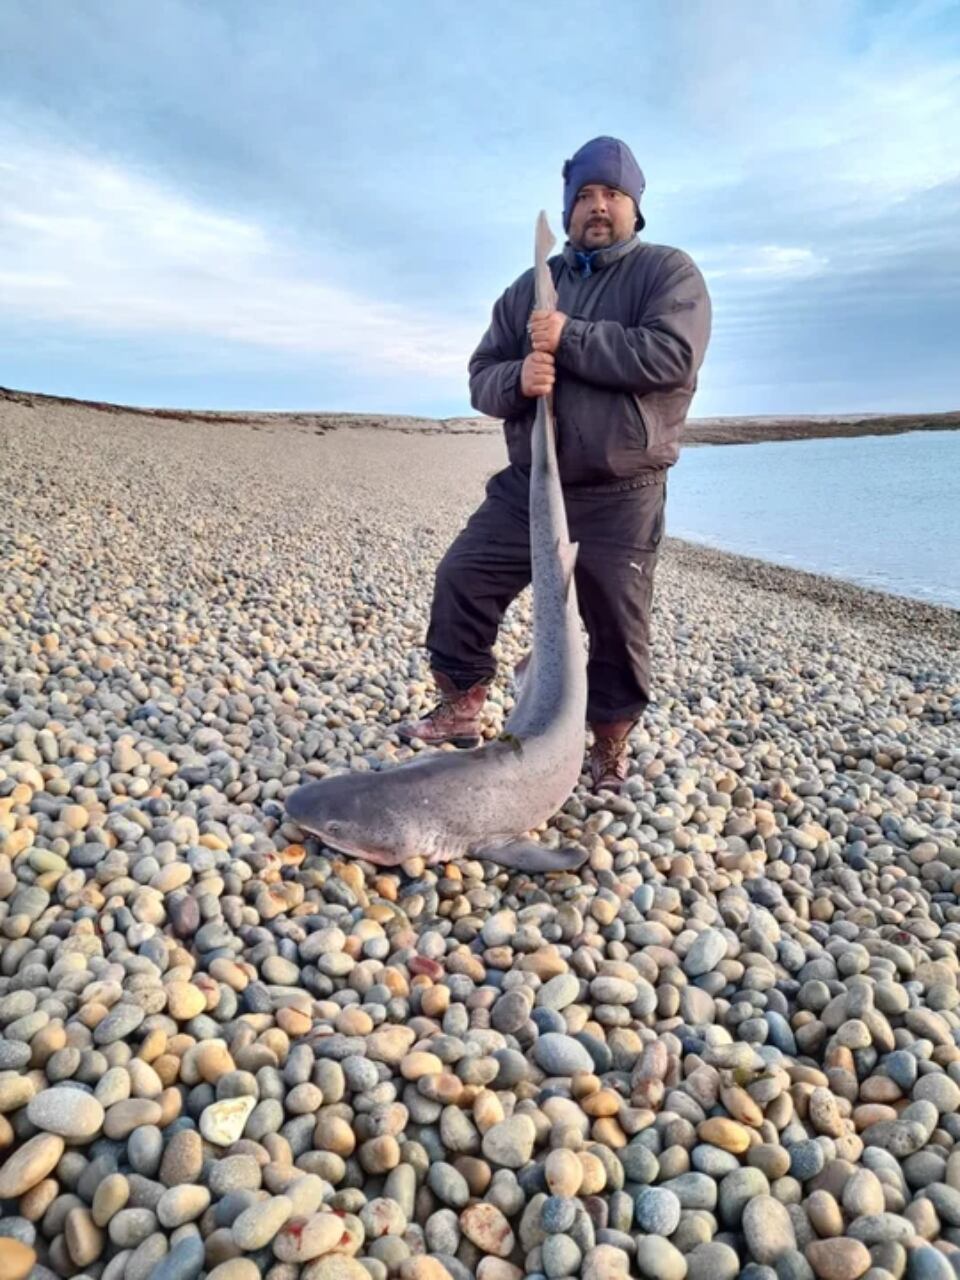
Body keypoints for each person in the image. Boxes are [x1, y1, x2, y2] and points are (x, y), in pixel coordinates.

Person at [399, 136, 712, 792]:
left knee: (617, 626)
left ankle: (607, 745)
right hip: (533, 483)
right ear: (569, 209)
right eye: (586, 196)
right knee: (463, 577)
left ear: (635, 207)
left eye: (613, 195)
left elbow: (669, 358)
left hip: (622, 486)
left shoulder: (668, 273)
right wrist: (520, 377)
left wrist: (567, 338)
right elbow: (481, 375)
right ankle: (461, 703)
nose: (598, 207)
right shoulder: (529, 289)